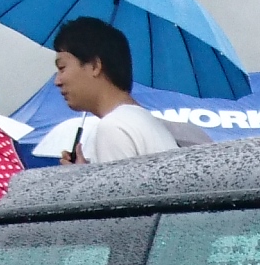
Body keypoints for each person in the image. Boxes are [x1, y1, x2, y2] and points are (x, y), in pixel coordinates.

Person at [49, 18, 174, 164]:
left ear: (95, 66)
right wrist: (83, 173)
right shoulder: (140, 121)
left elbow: (118, 181)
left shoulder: (113, 128)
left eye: (62, 68)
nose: (57, 81)